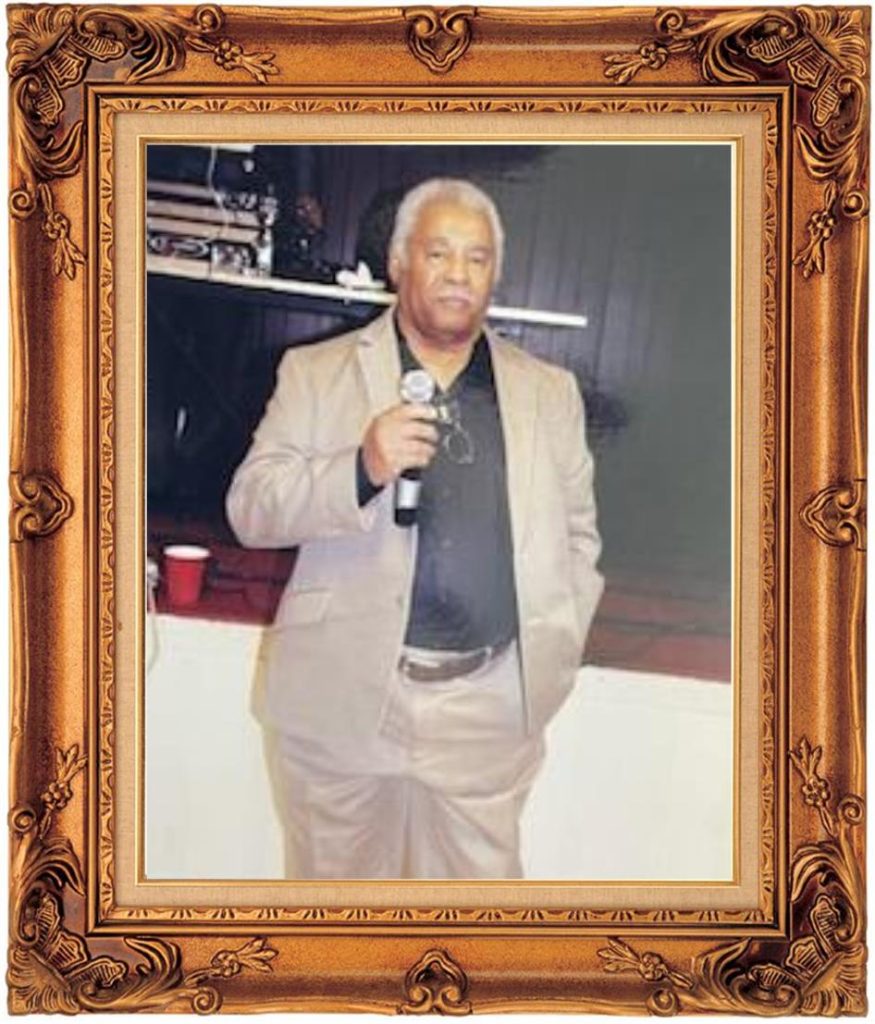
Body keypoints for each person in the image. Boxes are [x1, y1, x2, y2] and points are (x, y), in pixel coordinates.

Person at [226, 178, 603, 879]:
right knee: (335, 918)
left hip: (484, 708)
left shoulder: (549, 394)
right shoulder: (316, 372)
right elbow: (251, 509)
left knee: (471, 923)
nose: (458, 274)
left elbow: (579, 540)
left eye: (477, 258)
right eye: (438, 253)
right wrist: (361, 468)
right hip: (342, 701)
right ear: (399, 263)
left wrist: (553, 650)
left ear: (494, 273)